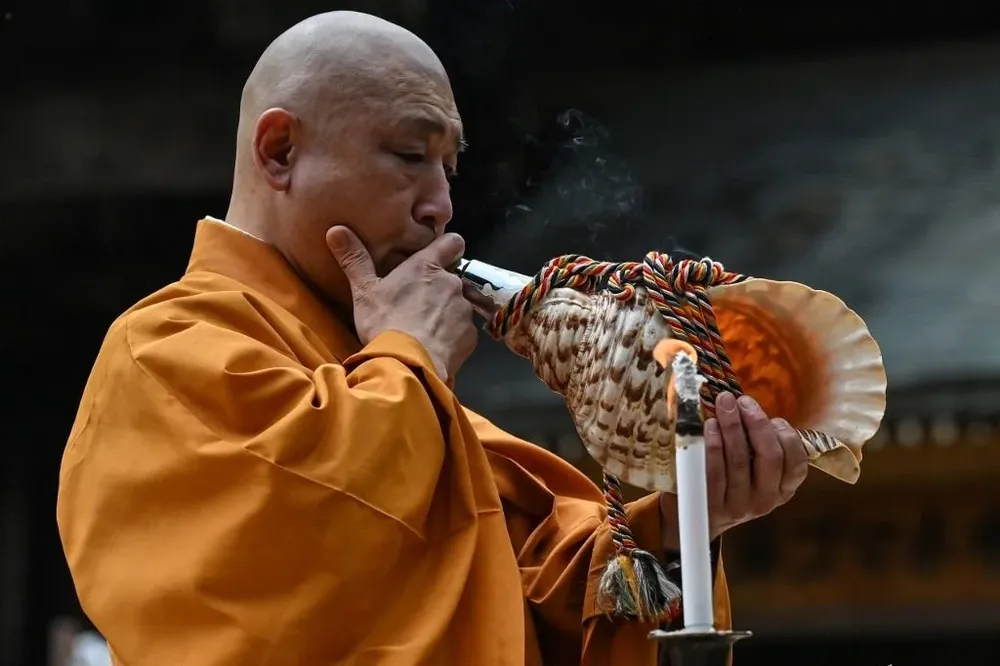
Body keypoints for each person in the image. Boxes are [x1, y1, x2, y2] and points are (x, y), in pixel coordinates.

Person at [56, 10, 809, 666]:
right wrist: (408, 360)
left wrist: (684, 524)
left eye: (449, 168)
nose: (440, 207)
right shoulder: (162, 350)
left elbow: (536, 602)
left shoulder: (395, 382)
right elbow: (290, 560)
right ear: (279, 150)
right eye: (410, 157)